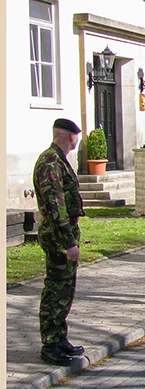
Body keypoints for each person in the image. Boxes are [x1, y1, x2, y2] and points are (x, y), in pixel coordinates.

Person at [33, 118, 86, 366]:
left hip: (64, 232)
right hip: (57, 235)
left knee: (65, 288)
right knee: (56, 289)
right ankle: (50, 343)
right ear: (69, 136)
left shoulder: (59, 160)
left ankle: (59, 337)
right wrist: (68, 242)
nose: (78, 139)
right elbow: (55, 204)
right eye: (77, 135)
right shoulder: (51, 161)